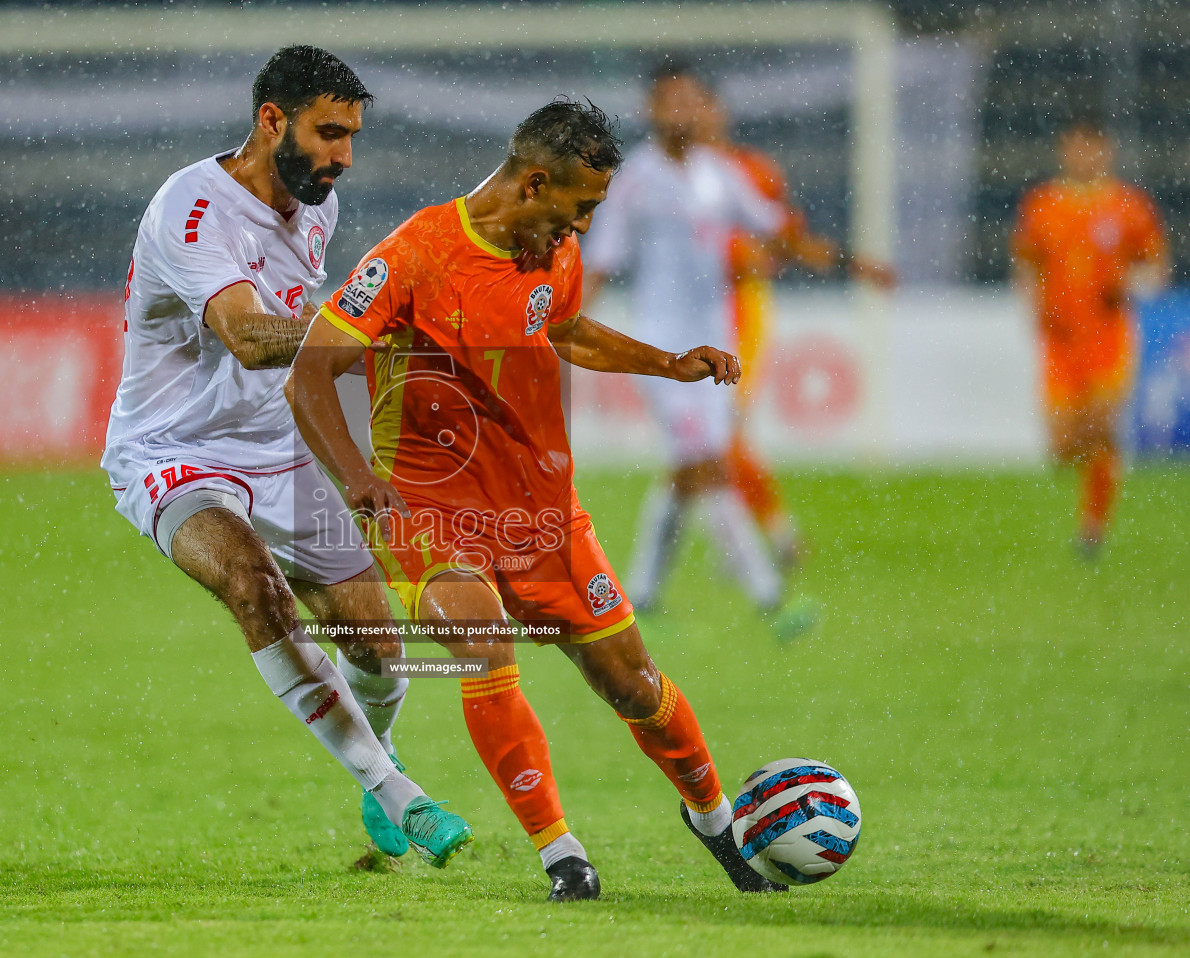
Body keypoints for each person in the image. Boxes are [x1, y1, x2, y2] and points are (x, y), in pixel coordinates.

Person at [286, 98, 785, 901]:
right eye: (579, 209)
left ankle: (718, 825)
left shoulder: (549, 250)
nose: (583, 229)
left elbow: (569, 329)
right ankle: (564, 857)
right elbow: (311, 370)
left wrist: (668, 363)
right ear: (533, 184)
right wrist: (357, 479)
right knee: (487, 648)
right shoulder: (415, 253)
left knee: (633, 682)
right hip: (431, 511)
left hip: (543, 511)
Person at [101, 45, 471, 867]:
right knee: (252, 585)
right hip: (176, 452)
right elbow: (246, 336)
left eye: (352, 137)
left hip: (279, 450)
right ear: (273, 121)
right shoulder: (192, 208)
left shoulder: (317, 204)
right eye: (329, 132)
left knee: (378, 646)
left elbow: (313, 355)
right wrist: (380, 329)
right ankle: (394, 792)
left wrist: (357, 461)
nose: (344, 156)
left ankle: (377, 762)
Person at [581, 62, 817, 640]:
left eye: (691, 101)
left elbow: (772, 226)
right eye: (671, 102)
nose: (682, 112)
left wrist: (827, 256)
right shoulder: (633, 179)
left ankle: (638, 594)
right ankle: (769, 597)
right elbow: (603, 261)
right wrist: (561, 324)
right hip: (663, 349)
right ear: (651, 110)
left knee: (690, 469)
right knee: (709, 464)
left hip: (719, 342)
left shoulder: (720, 173)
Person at [720, 140, 894, 570]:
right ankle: (749, 539)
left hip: (738, 308)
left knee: (721, 432)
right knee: (709, 439)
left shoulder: (750, 170)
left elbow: (785, 240)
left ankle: (766, 538)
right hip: (683, 312)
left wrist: (852, 265)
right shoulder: (659, 175)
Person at [1012, 120, 1169, 556]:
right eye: (1076, 148)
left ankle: (1092, 528)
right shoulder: (1042, 204)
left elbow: (1155, 270)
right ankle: (1107, 465)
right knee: (1062, 447)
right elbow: (1027, 263)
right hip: (1060, 342)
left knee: (1102, 425)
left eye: (1092, 148)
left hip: (1108, 338)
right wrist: (1033, 305)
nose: (1084, 156)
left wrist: (1128, 283)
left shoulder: (1129, 206)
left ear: (1106, 151)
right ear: (1065, 151)